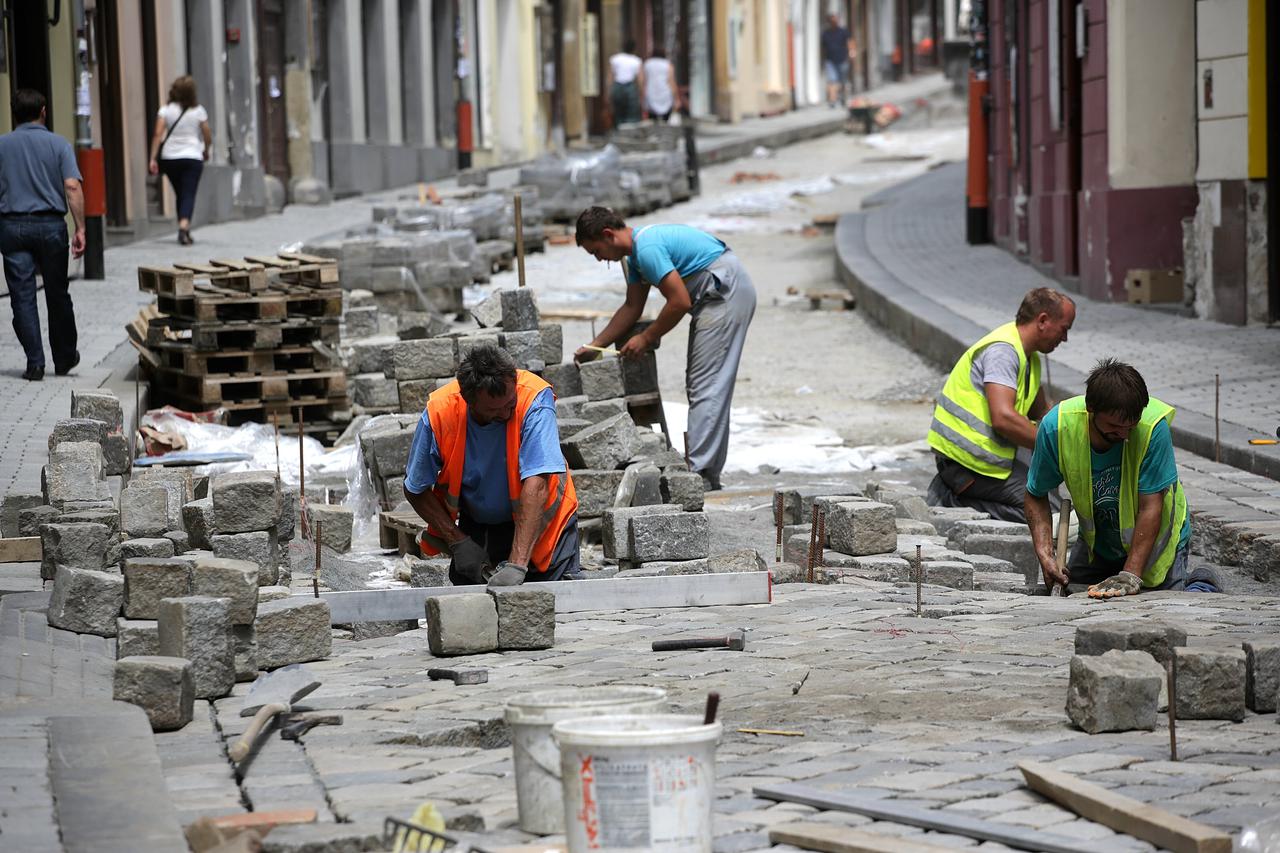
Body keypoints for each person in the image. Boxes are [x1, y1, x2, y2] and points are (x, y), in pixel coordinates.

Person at [574, 207, 756, 491]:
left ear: (608, 235)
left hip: (724, 292)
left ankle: (701, 475)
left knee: (706, 385)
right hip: (715, 295)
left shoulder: (646, 249)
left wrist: (646, 338)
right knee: (702, 384)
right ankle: (704, 470)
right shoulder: (635, 256)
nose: (599, 259)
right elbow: (632, 307)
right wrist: (595, 346)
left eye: (596, 251)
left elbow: (679, 301)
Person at [1025, 359, 1220, 598]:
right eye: (1115, 427)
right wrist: (1046, 555)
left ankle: (1201, 582)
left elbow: (1151, 508)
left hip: (1154, 541)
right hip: (1099, 544)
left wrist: (1130, 575)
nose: (1125, 435)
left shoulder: (1151, 429)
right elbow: (1035, 494)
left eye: (1131, 426)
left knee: (1164, 604)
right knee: (1075, 594)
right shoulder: (1057, 428)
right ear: (1091, 409)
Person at [404, 344, 581, 587]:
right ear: (469, 402)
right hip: (481, 528)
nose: (506, 414)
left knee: (551, 611)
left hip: (546, 526)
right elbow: (415, 487)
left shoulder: (533, 398)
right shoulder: (441, 412)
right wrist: (456, 540)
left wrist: (517, 565)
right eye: (493, 410)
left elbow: (537, 485)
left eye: (510, 404)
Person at [927, 288, 1075, 523]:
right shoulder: (1003, 353)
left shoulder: (1028, 357)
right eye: (1064, 329)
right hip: (965, 464)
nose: (1064, 338)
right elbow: (1003, 418)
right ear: (1043, 321)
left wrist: (1078, 432)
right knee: (1046, 512)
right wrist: (1058, 446)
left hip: (984, 461)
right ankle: (955, 503)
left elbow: (1043, 414)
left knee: (1050, 493)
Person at [0, 89, 85, 382]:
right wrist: (81, 227)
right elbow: (72, 187)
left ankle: (35, 363)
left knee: (22, 296)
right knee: (57, 292)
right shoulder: (58, 144)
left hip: (12, 227)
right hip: (51, 227)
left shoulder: (2, 145)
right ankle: (63, 358)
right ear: (44, 111)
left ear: (15, 114)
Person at [148, 75, 211, 246]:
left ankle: (184, 228)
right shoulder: (198, 111)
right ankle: (183, 229)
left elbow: (157, 135)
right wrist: (206, 149)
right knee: (188, 193)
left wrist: (153, 158)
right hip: (192, 157)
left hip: (171, 159)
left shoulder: (165, 110)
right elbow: (207, 133)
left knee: (180, 193)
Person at [608, 39, 645, 126]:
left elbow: (610, 77)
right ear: (634, 49)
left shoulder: (615, 59)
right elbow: (640, 79)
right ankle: (629, 131)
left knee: (618, 111)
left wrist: (609, 92)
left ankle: (619, 127)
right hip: (630, 87)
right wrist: (641, 93)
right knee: (631, 112)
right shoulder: (636, 60)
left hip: (617, 86)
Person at [821, 14, 854, 108]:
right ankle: (832, 100)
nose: (834, 22)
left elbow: (849, 42)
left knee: (842, 81)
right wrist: (822, 59)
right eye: (832, 21)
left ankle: (843, 97)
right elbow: (823, 47)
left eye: (835, 20)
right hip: (830, 61)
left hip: (842, 60)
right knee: (832, 80)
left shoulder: (843, 32)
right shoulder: (826, 33)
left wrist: (851, 53)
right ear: (829, 22)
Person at [643, 47, 678, 122]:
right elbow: (671, 81)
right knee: (666, 120)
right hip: (665, 94)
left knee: (652, 120)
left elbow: (644, 82)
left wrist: (642, 96)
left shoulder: (647, 64)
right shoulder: (668, 64)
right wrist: (676, 98)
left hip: (651, 94)